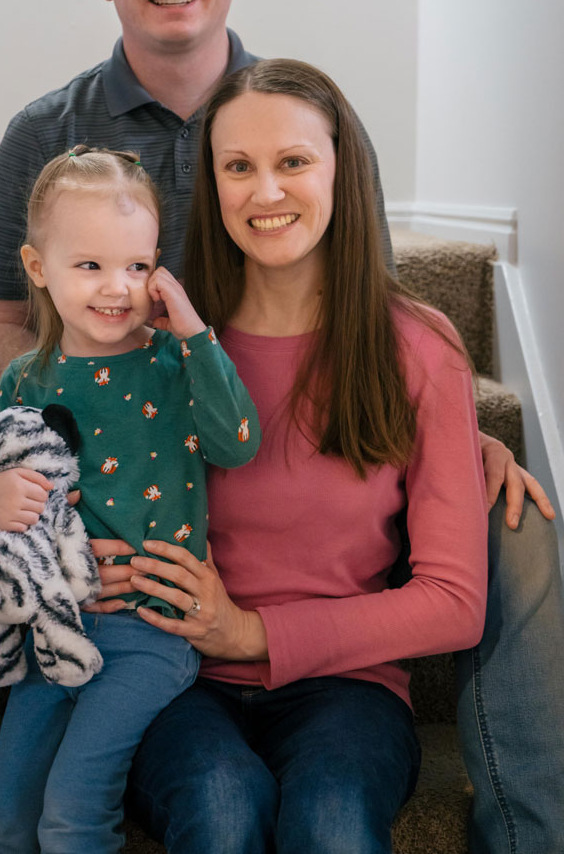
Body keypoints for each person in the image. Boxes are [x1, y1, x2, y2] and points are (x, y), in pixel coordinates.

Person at [0, 0, 564, 854]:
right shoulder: (45, 132)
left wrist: (449, 432)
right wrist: (66, 461)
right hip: (82, 423)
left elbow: (366, 309)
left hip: (212, 413)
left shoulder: (291, 111)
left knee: (518, 523)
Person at [87, 57, 488, 852]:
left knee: (331, 818)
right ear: (212, 184)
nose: (265, 192)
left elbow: (454, 601)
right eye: (238, 167)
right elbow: (67, 471)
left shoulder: (420, 346)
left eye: (294, 161)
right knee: (221, 805)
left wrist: (255, 634)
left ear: (342, 170)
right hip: (170, 671)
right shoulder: (155, 342)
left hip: (349, 686)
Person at [0, 145, 259, 853]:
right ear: (38, 267)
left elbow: (238, 443)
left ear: (158, 269)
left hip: (149, 636)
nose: (116, 288)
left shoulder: (174, 364)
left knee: (72, 812)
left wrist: (194, 333)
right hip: (53, 632)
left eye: (135, 267)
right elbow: (12, 520)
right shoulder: (24, 381)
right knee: (7, 817)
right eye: (89, 265)